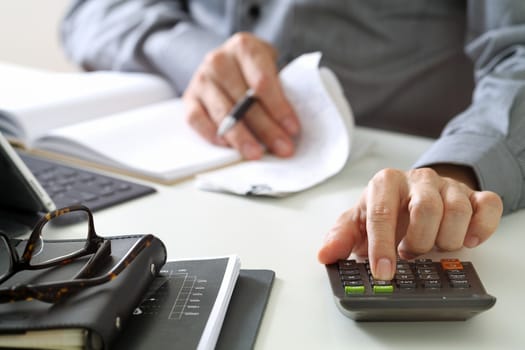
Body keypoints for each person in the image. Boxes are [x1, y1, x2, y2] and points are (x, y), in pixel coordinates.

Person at [61, 1, 524, 280]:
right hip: (187, 172)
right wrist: (192, 53)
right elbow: (89, 11)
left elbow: (517, 50)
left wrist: (453, 171)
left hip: (402, 175)